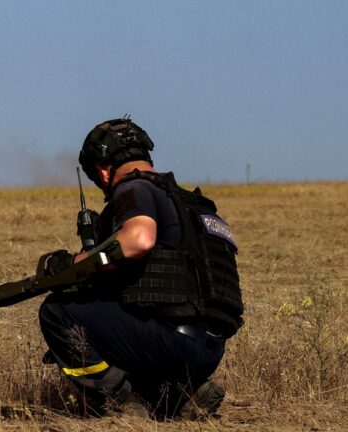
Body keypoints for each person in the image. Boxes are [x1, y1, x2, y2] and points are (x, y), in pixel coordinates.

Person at [37, 118, 243, 419]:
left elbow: (139, 240)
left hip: (170, 341)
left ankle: (117, 400)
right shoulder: (193, 205)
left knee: (56, 312)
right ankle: (182, 394)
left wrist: (73, 264)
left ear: (103, 171)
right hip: (209, 349)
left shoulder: (134, 188)